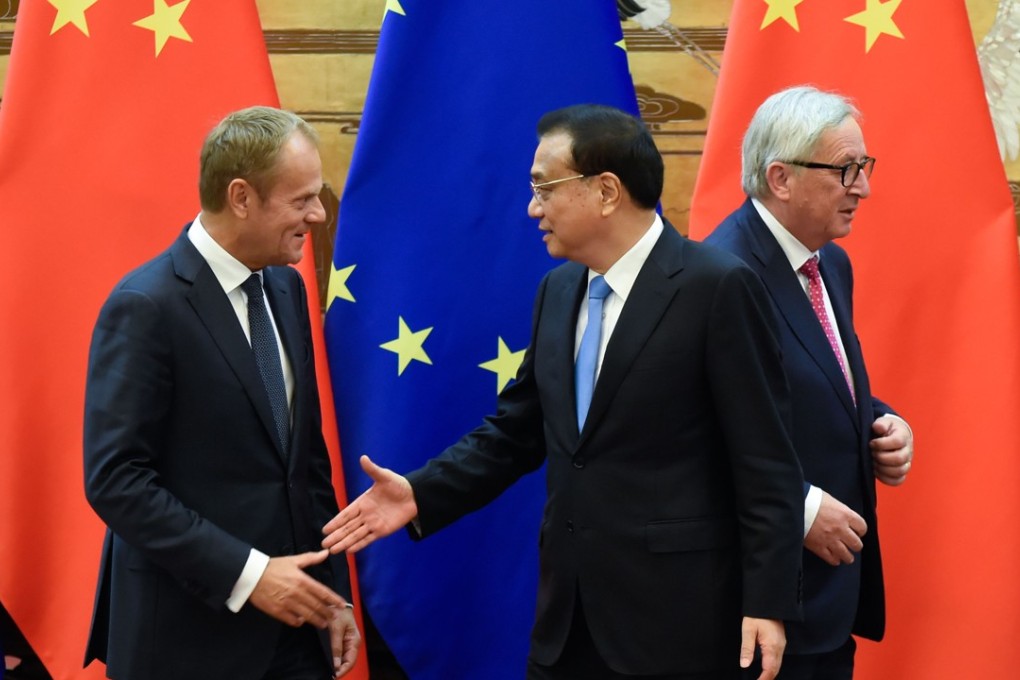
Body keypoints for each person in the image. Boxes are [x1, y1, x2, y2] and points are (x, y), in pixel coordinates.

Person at [321, 104, 805, 680]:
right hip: (566, 624)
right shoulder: (558, 290)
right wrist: (420, 492)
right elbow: (516, 432)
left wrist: (767, 603)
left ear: (606, 191)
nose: (533, 208)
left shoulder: (717, 286)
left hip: (678, 625)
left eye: (544, 188)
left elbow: (765, 462)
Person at [83, 106, 361, 680]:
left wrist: (332, 598)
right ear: (241, 198)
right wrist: (250, 575)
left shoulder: (285, 287)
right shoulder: (146, 306)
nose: (317, 214)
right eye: (302, 199)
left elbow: (305, 466)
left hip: (296, 638)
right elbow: (116, 480)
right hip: (188, 642)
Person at [703, 86, 915, 679]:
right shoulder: (721, 275)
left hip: (827, 601)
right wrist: (796, 508)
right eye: (845, 169)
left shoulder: (829, 263)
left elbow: (810, 378)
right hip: (761, 606)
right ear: (781, 178)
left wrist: (881, 421)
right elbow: (695, 430)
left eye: (864, 166)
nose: (862, 187)